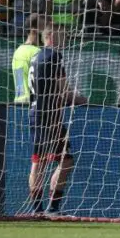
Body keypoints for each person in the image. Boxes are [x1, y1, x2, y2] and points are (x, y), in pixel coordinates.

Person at [28, 22, 88, 216]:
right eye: (63, 35)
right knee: (66, 161)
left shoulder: (35, 56)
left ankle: (37, 209)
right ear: (51, 35)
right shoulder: (54, 56)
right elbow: (64, 91)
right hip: (50, 115)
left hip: (35, 113)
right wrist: (81, 99)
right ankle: (53, 207)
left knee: (39, 161)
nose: (66, 39)